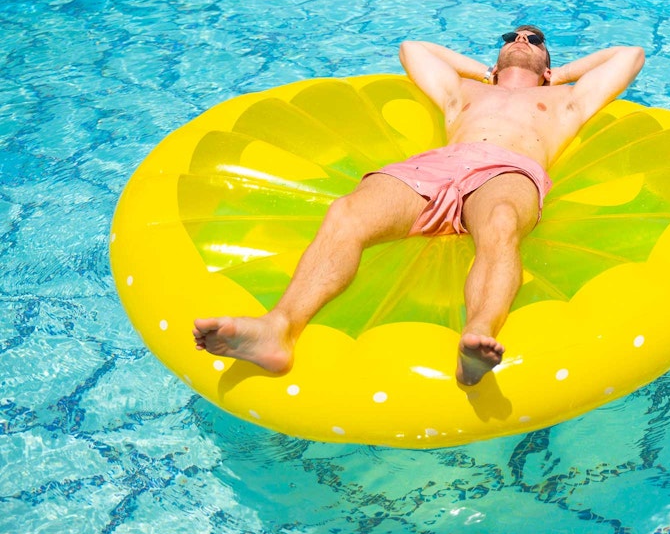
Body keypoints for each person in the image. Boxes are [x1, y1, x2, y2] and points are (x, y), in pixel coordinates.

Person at [193, 26, 645, 385]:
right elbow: (413, 49)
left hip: (508, 170)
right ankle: (278, 330)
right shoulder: (463, 94)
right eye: (512, 37)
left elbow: (630, 55)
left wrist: (557, 76)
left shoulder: (565, 99)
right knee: (346, 213)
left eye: (534, 40)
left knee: (502, 223)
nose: (521, 40)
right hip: (436, 166)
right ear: (495, 58)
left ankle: (478, 339)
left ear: (549, 67)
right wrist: (483, 72)